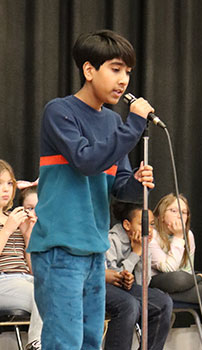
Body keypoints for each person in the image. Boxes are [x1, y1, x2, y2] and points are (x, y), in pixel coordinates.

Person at [26, 30, 155, 350]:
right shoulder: (60, 112)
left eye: (128, 72)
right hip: (59, 248)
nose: (123, 80)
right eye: (115, 69)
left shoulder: (113, 124)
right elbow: (86, 160)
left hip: (95, 252)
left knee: (88, 342)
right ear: (88, 70)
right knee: (64, 342)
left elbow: (120, 185)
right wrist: (135, 125)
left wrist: (138, 182)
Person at [105, 201, 172, 350]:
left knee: (163, 302)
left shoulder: (142, 243)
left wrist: (142, 252)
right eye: (143, 224)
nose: (148, 229)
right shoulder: (112, 240)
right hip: (106, 287)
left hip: (128, 288)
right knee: (130, 304)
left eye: (152, 224)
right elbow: (112, 277)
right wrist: (135, 254)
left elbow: (143, 285)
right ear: (127, 225)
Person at [149, 193, 202, 303]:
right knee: (177, 279)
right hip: (159, 281)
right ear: (161, 214)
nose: (179, 216)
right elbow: (168, 269)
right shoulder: (151, 235)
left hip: (184, 282)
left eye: (183, 212)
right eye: (174, 211)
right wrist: (178, 237)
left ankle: (161, 298)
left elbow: (187, 271)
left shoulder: (188, 235)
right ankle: (201, 277)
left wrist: (191, 278)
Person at [0, 159, 42, 350]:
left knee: (58, 287)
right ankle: (36, 344)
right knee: (44, 293)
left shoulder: (13, 216)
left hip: (24, 279)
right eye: (0, 183)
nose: (6, 189)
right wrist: (7, 230)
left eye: (9, 183)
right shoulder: (10, 223)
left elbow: (33, 270)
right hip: (4, 281)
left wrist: (27, 236)